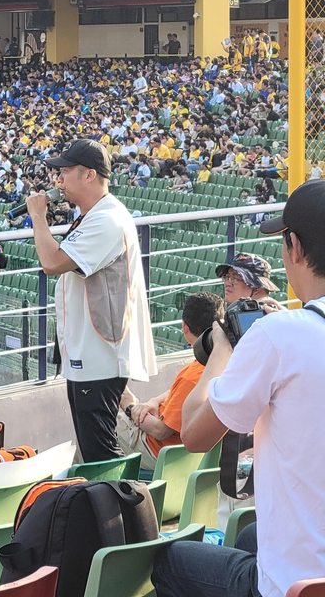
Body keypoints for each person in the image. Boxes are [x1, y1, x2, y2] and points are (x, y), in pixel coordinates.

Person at [152, 179, 325, 596]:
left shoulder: (279, 335)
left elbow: (194, 435)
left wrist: (222, 350)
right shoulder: (285, 331)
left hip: (293, 585)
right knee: (248, 536)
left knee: (168, 561)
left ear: (295, 247)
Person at [25, 139, 157, 462]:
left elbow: (52, 262)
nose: (59, 180)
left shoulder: (107, 219)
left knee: (101, 452)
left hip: (100, 353)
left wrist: (38, 218)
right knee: (94, 448)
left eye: (66, 171)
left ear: (89, 175)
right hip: (87, 352)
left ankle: (127, 497)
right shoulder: (93, 215)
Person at [116, 292, 224, 470]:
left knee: (100, 428)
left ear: (184, 327)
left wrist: (129, 407)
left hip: (160, 452)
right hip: (187, 452)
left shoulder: (192, 376)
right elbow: (181, 394)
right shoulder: (221, 363)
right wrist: (153, 401)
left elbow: (161, 431)